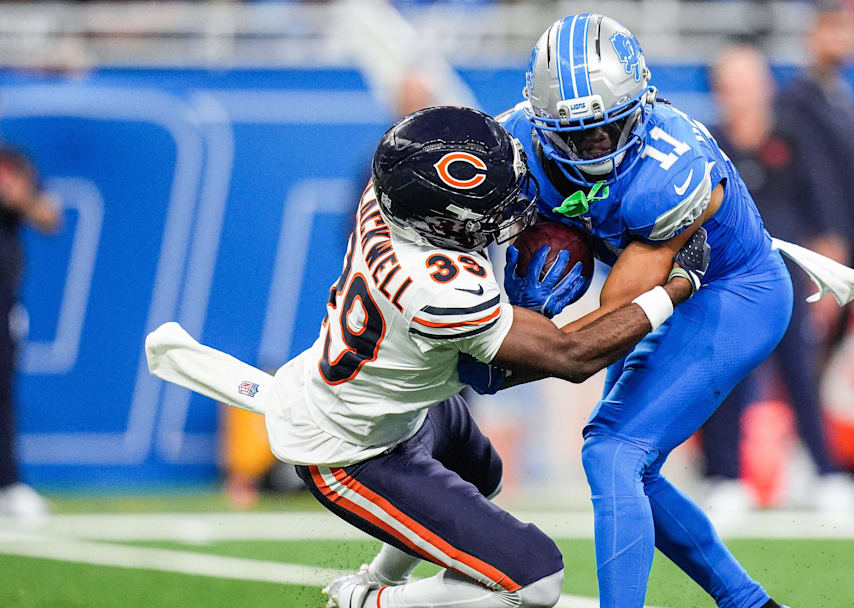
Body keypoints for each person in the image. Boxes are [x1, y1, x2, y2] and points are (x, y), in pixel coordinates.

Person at [262, 106, 709, 608]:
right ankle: (367, 604)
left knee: (482, 475)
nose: (508, 209)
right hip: (353, 447)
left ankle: (376, 578)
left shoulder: (388, 198)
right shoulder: (435, 289)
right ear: (441, 222)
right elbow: (570, 356)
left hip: (397, 397)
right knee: (535, 580)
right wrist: (672, 290)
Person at [492, 13, 819, 608]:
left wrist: (519, 348)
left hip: (728, 289)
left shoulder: (674, 166)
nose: (593, 147)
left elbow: (618, 313)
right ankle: (749, 602)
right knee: (626, 462)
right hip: (658, 289)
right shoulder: (511, 142)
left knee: (613, 451)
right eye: (574, 136)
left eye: (606, 130)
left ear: (640, 104)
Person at [699, 46, 854, 514]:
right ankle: (727, 478)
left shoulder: (794, 139)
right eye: (731, 84)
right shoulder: (706, 144)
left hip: (787, 280)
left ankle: (827, 474)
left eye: (748, 82)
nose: (741, 94)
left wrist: (831, 284)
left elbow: (826, 216)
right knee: (725, 378)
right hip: (726, 280)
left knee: (802, 377)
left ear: (766, 85)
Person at [774, 2, 854, 347]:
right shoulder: (797, 100)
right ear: (813, 36)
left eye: (844, 29)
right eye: (830, 29)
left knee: (835, 341)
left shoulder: (846, 99)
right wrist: (824, 234)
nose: (839, 39)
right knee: (810, 346)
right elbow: (807, 177)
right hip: (826, 243)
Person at [0, 146, 60, 521]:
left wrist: (18, 198)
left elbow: (49, 216)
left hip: (3, 299)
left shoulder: (16, 161)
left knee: (2, 395)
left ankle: (8, 484)